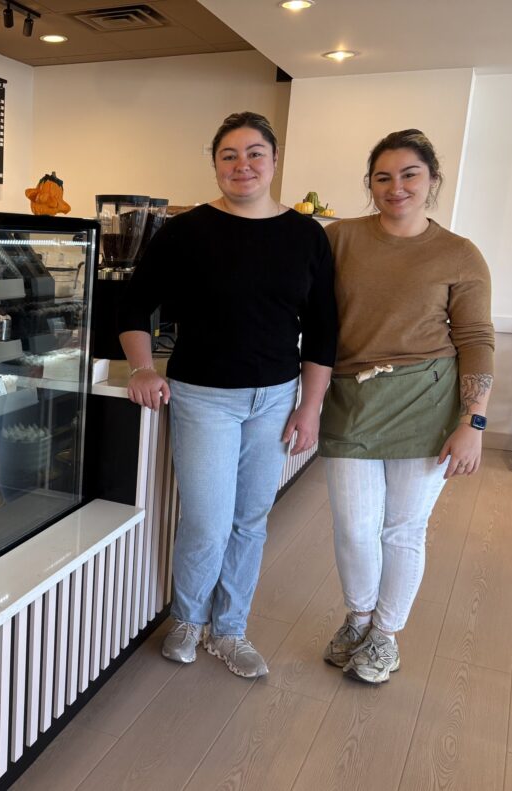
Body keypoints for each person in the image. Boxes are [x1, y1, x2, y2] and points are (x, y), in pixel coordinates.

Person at [117, 112, 337, 678]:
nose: (243, 165)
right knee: (208, 522)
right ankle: (189, 619)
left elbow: (323, 330)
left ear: (275, 160)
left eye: (255, 153)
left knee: (251, 520)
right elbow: (134, 305)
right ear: (215, 163)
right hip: (204, 398)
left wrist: (310, 407)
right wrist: (142, 368)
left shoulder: (306, 236)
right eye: (229, 155)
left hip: (276, 398)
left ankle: (230, 629)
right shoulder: (185, 232)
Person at [319, 129, 495, 684]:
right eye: (383, 177)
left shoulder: (459, 253)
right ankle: (358, 618)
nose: (396, 187)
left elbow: (476, 339)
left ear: (432, 180)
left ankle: (385, 636)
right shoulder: (339, 239)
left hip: (428, 401)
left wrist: (473, 421)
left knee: (402, 529)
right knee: (354, 527)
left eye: (410, 175)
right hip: (350, 397)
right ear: (370, 184)